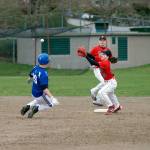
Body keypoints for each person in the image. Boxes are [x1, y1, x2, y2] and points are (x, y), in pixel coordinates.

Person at [77, 48, 122, 115]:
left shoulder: (105, 62)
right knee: (111, 95)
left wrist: (85, 56)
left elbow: (93, 62)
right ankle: (117, 106)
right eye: (102, 53)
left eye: (103, 54)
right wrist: (86, 53)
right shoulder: (104, 60)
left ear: (107, 56)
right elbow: (93, 57)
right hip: (109, 81)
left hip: (111, 82)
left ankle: (111, 106)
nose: (101, 55)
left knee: (101, 92)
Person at [20, 53, 59, 118]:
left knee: (38, 100)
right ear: (47, 62)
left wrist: (29, 80)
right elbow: (45, 89)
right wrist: (53, 98)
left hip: (33, 93)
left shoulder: (36, 67)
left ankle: (28, 105)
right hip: (40, 95)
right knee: (51, 104)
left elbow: (31, 75)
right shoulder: (44, 74)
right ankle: (36, 109)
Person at [86, 36, 117, 105]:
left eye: (103, 40)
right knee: (105, 82)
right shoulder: (95, 49)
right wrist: (91, 63)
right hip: (97, 69)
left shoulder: (108, 50)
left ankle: (97, 97)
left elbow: (110, 60)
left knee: (105, 83)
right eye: (101, 40)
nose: (102, 42)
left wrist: (114, 60)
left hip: (104, 70)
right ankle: (96, 95)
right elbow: (91, 57)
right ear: (99, 41)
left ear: (106, 42)